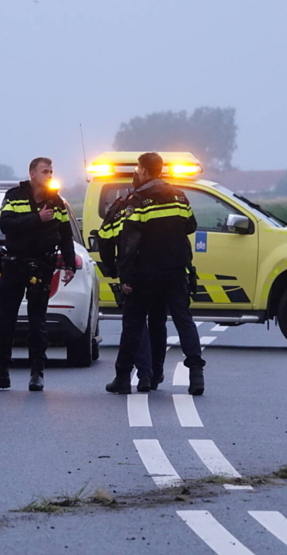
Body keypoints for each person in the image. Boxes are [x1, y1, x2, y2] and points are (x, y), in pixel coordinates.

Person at [103, 153, 205, 396]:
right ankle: (196, 375)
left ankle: (123, 377)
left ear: (143, 170)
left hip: (145, 273)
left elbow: (129, 242)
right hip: (176, 271)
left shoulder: (138, 201)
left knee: (133, 325)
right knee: (183, 321)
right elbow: (191, 226)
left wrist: (125, 276)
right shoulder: (179, 196)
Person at [0, 157, 76, 392]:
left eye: (51, 171)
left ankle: (37, 373)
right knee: (6, 321)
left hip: (42, 266)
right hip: (15, 265)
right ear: (32, 174)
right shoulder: (14, 196)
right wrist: (37, 218)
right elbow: (6, 224)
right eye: (45, 171)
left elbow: (66, 236)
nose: (49, 175)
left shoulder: (57, 202)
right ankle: (0, 373)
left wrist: (70, 265)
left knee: (37, 323)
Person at [96, 176, 169, 393]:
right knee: (157, 324)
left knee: (134, 326)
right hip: (162, 273)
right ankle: (154, 374)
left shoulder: (124, 205)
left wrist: (114, 271)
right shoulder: (168, 200)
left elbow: (104, 237)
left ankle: (138, 375)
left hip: (135, 273)